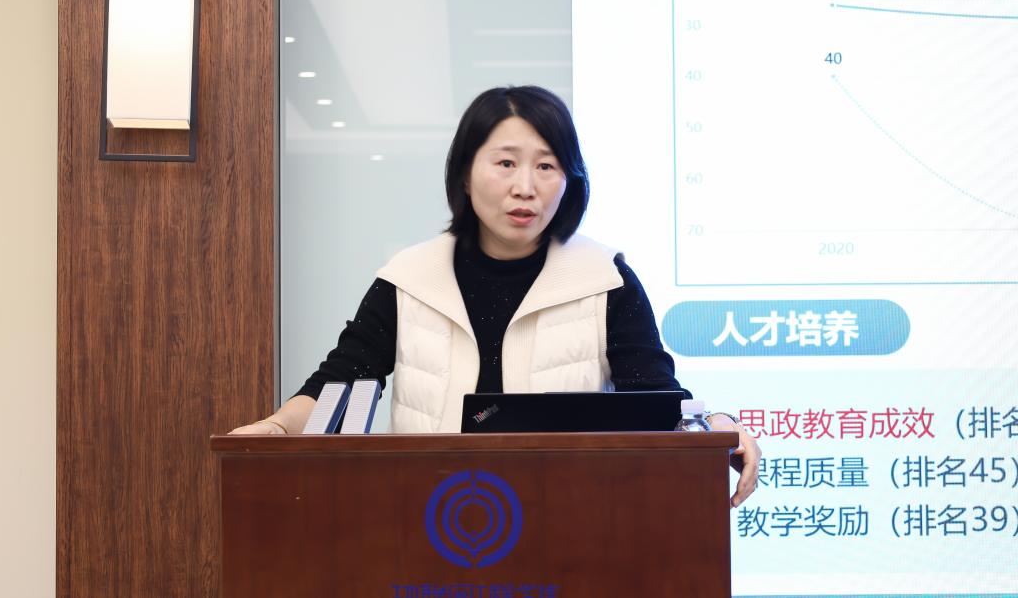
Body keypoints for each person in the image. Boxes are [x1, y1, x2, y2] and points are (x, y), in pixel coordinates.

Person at [231, 85, 760, 506]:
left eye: (546, 166)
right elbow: (339, 386)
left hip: (573, 523)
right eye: (506, 163)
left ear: (569, 180)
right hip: (427, 521)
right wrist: (272, 428)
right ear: (466, 174)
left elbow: (657, 397)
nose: (525, 186)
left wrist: (717, 427)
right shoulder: (410, 277)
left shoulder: (604, 276)